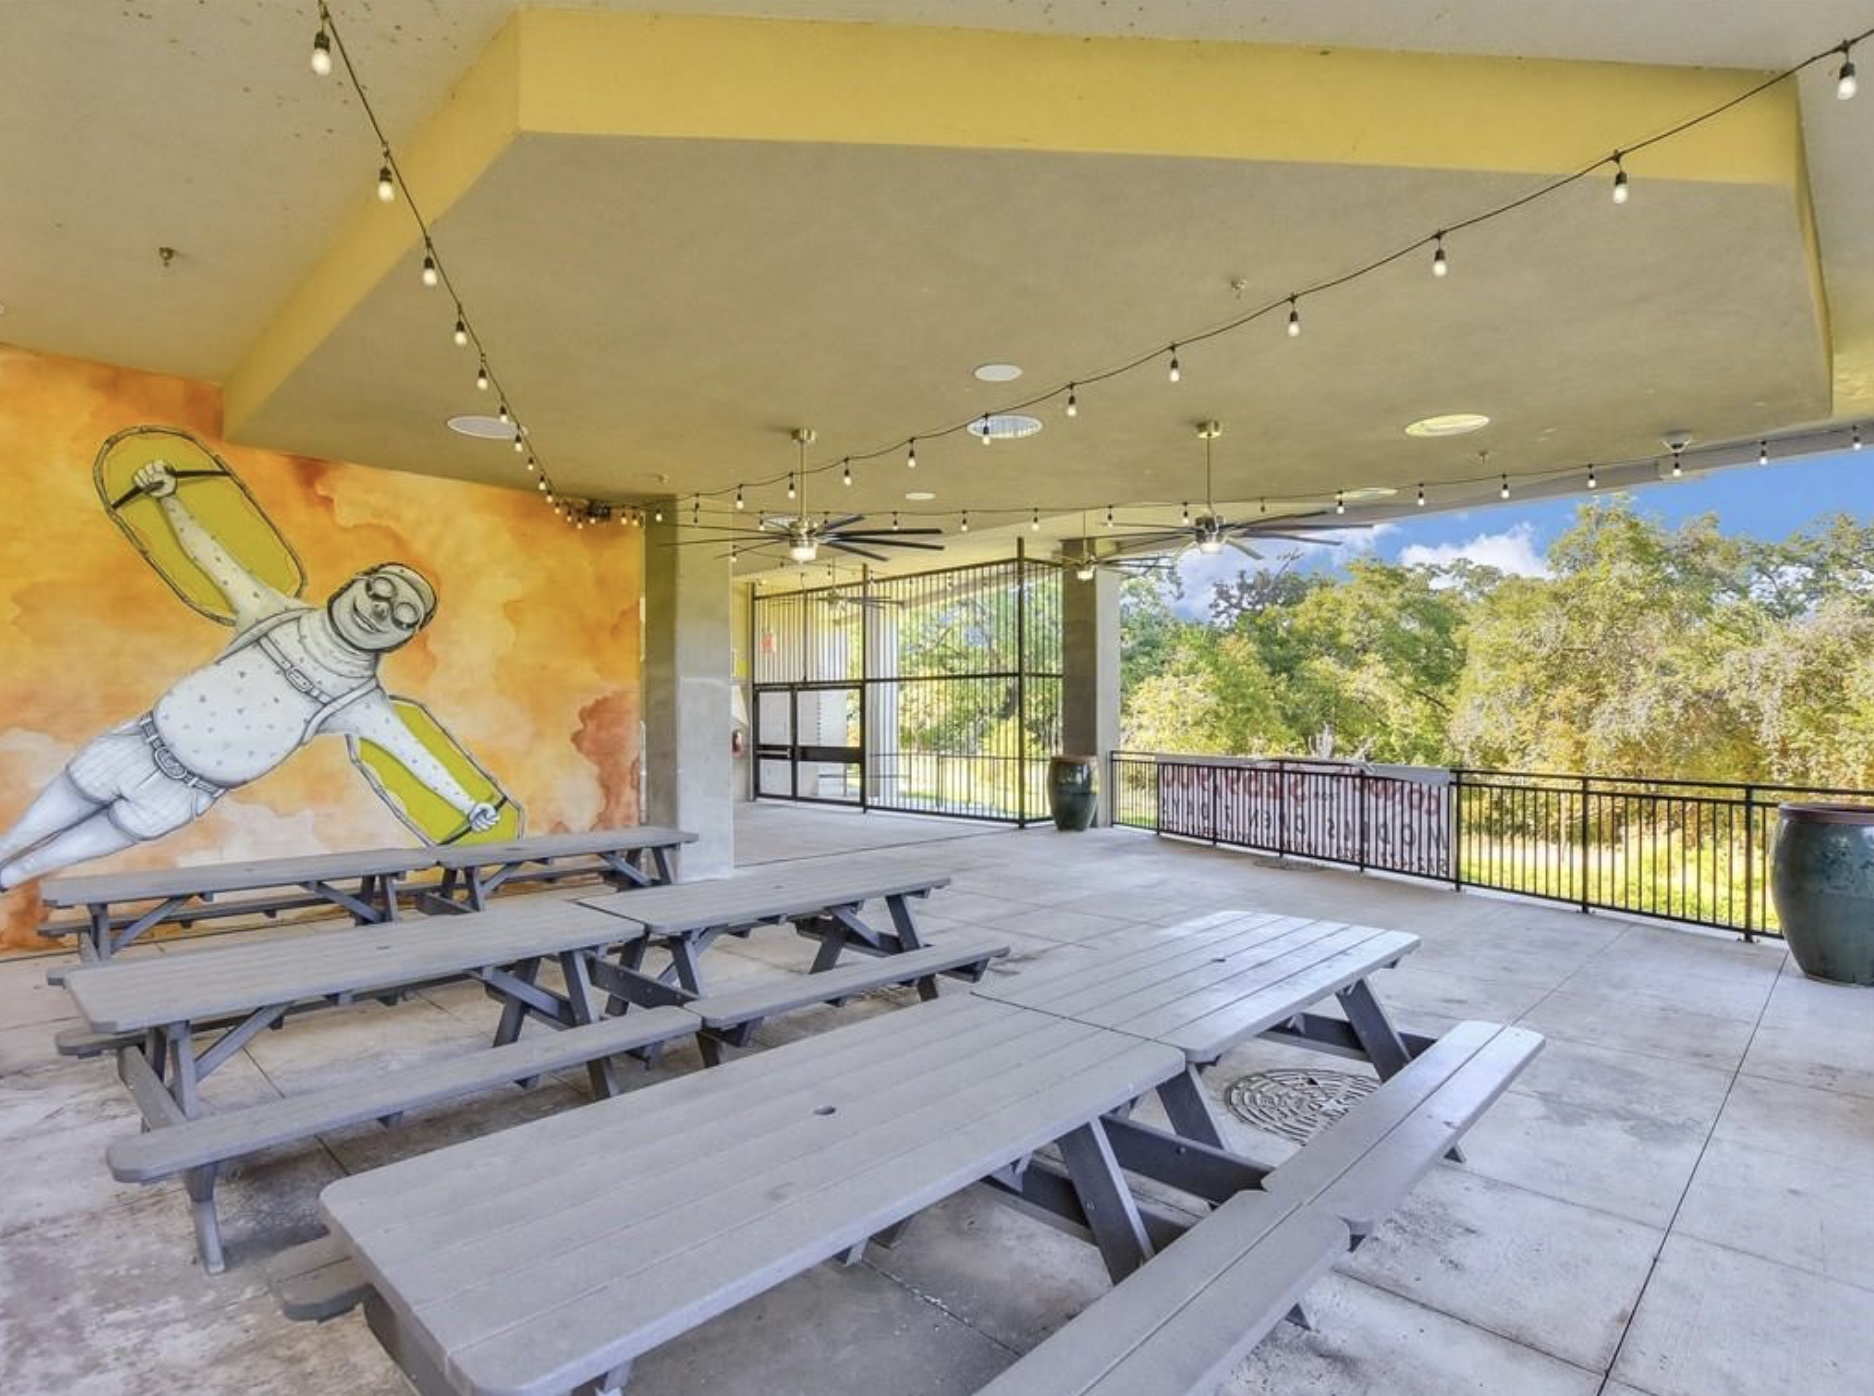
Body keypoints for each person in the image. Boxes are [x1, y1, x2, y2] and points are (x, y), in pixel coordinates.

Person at [0, 460, 498, 889]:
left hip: (183, 794)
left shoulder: (360, 702)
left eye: (401, 615)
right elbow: (213, 557)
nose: (379, 612)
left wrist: (471, 806)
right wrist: (169, 498)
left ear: (404, 636)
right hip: (131, 745)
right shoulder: (272, 611)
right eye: (379, 594)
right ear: (354, 585)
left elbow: (417, 757)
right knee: (18, 837)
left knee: (33, 864)